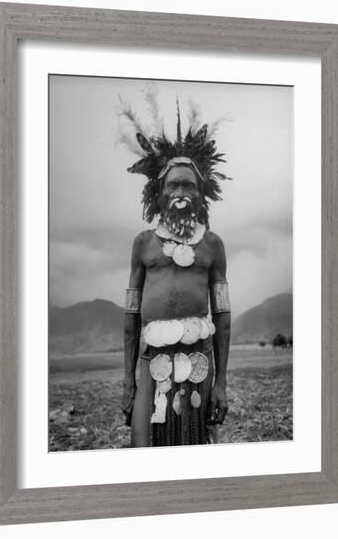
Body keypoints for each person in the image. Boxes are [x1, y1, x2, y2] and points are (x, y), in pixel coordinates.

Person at [119, 98, 232, 447]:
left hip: (200, 361)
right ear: (160, 192)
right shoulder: (143, 244)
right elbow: (131, 316)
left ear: (202, 196)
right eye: (173, 185)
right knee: (146, 447)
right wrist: (128, 381)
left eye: (189, 186)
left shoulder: (213, 245)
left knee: (196, 448)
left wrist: (221, 383)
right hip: (151, 363)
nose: (181, 192)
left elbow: (223, 316)